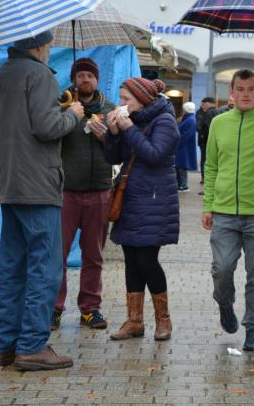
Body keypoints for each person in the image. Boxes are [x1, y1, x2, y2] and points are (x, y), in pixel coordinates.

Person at [0, 30, 84, 370]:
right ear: (40, 46)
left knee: (12, 267)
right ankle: (32, 346)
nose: (50, 51)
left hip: (8, 182)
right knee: (45, 268)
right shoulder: (39, 75)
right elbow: (46, 126)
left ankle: (3, 345)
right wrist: (73, 115)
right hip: (38, 184)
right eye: (49, 45)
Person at [203, 69, 254, 352]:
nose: (245, 94)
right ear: (231, 93)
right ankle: (224, 303)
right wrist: (208, 205)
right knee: (221, 269)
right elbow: (210, 166)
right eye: (240, 89)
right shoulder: (219, 123)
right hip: (224, 212)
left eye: (251, 89)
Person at [105, 77, 180, 342]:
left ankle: (164, 320)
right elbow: (113, 158)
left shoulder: (164, 121)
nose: (122, 104)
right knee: (130, 259)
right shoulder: (133, 120)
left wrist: (127, 129)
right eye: (121, 99)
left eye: (126, 99)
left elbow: (154, 154)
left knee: (147, 259)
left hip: (155, 199)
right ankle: (134, 321)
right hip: (130, 198)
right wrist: (112, 134)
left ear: (142, 99)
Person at [51, 58, 115, 332]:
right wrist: (71, 115)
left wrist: (107, 138)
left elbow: (122, 149)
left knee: (94, 255)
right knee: (57, 255)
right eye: (80, 75)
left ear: (97, 79)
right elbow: (49, 135)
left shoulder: (111, 109)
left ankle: (90, 309)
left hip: (100, 191)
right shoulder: (61, 104)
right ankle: (53, 308)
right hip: (66, 192)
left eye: (90, 75)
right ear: (74, 78)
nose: (85, 80)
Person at [174, 101, 197, 192]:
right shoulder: (189, 118)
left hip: (183, 147)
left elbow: (187, 134)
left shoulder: (190, 119)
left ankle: (183, 186)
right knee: (179, 166)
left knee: (182, 166)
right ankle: (181, 185)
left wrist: (177, 142)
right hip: (183, 147)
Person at [196, 96, 217, 187]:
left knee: (205, 160)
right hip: (210, 141)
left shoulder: (209, 113)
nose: (202, 106)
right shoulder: (215, 112)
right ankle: (207, 179)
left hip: (206, 141)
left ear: (209, 103)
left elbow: (205, 128)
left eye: (204, 104)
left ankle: (206, 179)